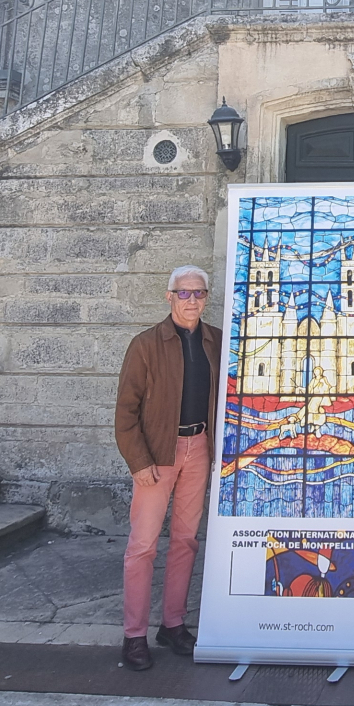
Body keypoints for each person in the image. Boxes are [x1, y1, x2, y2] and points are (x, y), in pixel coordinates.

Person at [113, 264, 220, 671]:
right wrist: (139, 462)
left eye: (199, 293)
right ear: (169, 296)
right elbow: (125, 413)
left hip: (199, 449)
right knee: (142, 546)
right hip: (159, 454)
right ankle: (134, 634)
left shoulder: (215, 342)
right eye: (184, 293)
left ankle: (172, 623)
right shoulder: (145, 344)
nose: (192, 300)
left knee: (185, 541)